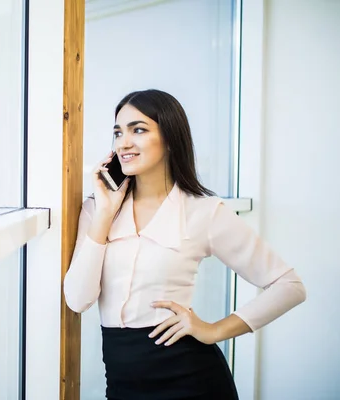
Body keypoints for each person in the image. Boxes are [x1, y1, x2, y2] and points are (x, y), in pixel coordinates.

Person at [63, 89, 306, 400]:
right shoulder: (97, 209)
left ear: (169, 138)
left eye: (138, 130)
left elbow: (289, 285)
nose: (123, 142)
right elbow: (77, 300)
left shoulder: (203, 212)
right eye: (118, 132)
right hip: (123, 385)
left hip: (193, 381)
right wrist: (105, 215)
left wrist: (214, 330)